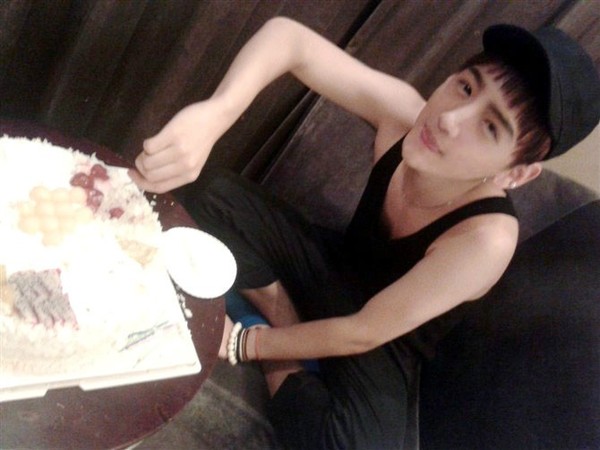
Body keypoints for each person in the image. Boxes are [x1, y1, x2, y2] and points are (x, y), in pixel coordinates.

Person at [130, 18, 600, 449]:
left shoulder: (485, 239)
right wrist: (217, 113)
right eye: (465, 86)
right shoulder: (407, 115)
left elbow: (364, 332)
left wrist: (246, 344)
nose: (450, 119)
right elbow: (289, 39)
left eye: (490, 126)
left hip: (381, 340)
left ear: (515, 174)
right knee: (207, 193)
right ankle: (280, 310)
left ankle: (279, 342)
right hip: (331, 266)